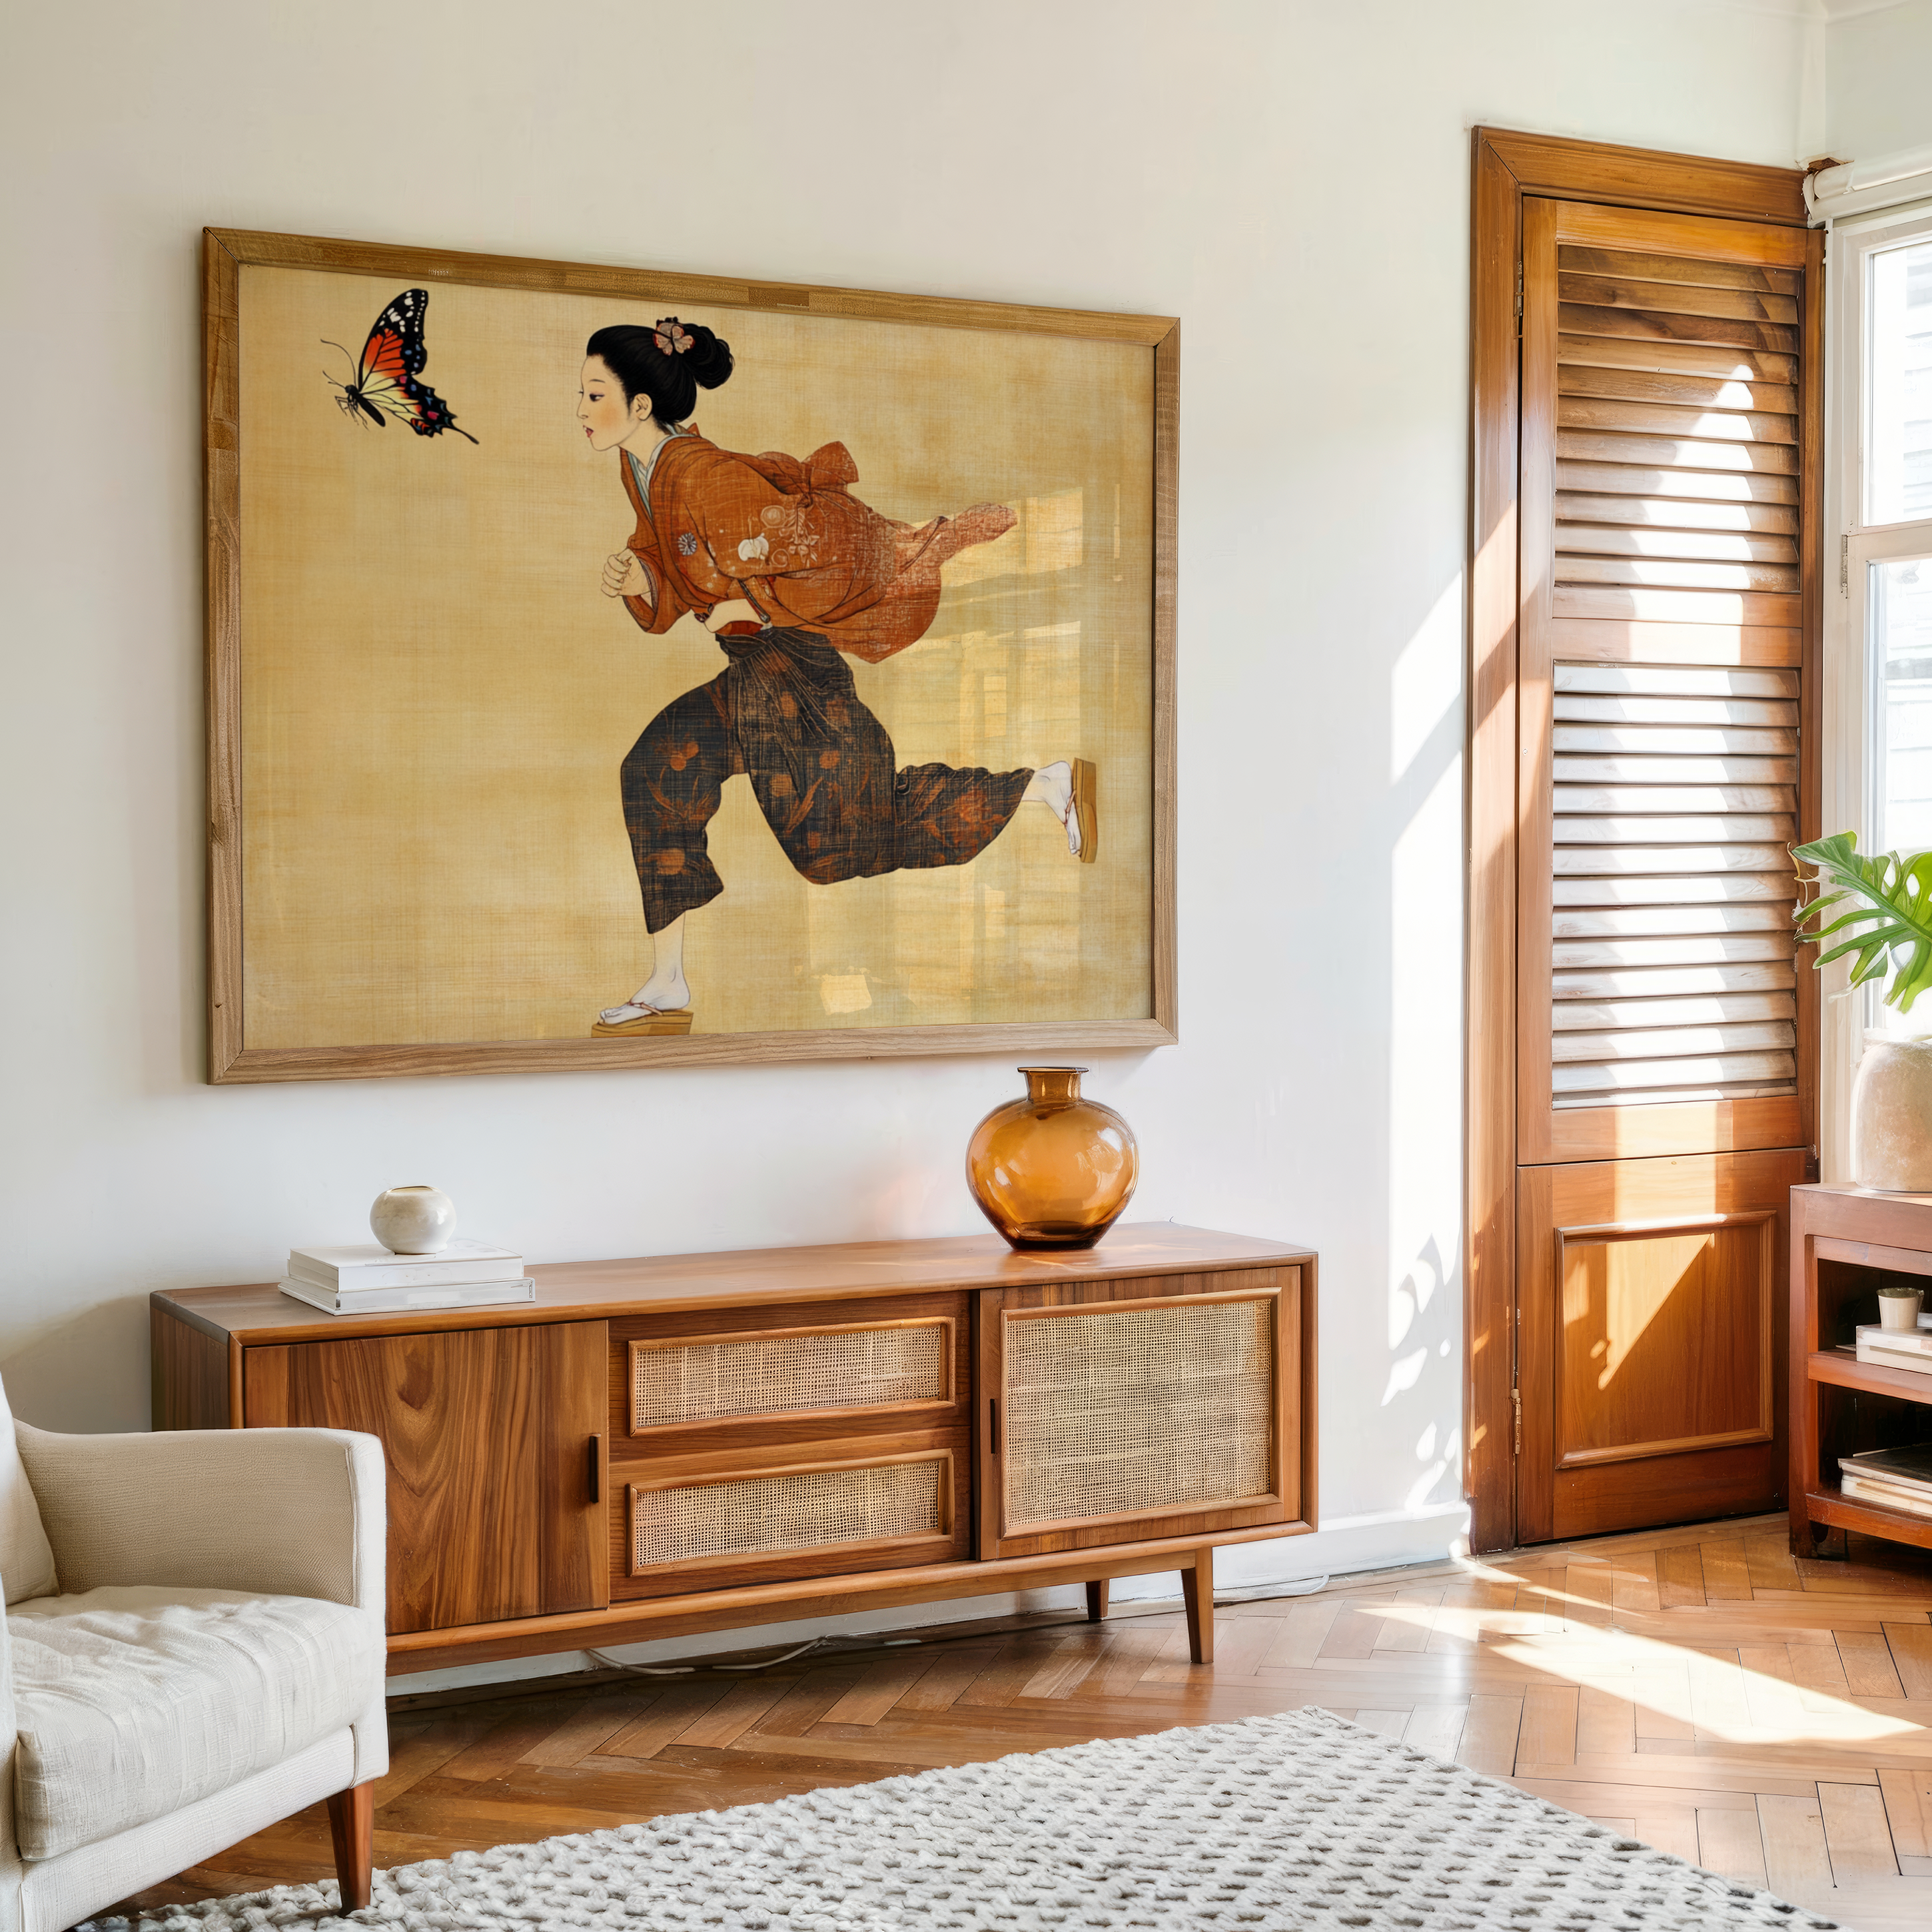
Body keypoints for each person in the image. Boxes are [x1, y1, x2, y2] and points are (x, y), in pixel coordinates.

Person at [578, 317, 1096, 1035]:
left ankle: (1040, 785)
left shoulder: (704, 475)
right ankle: (667, 980)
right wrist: (645, 575)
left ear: (640, 405)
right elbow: (670, 565)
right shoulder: (643, 472)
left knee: (837, 847)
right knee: (656, 770)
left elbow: (820, 544)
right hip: (753, 672)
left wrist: (753, 604)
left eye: (594, 394)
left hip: (795, 671)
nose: (581, 410)